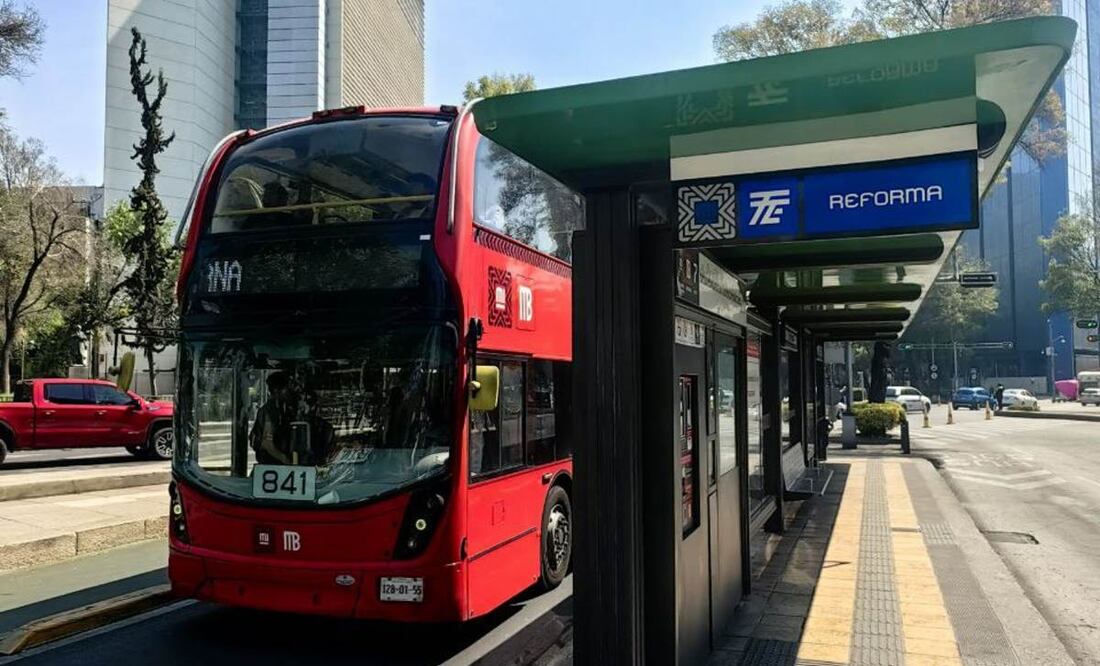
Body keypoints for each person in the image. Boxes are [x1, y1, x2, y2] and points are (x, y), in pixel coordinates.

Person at [250, 371, 299, 465]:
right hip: (271, 464)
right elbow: (267, 444)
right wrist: (286, 461)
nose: (289, 392)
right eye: (286, 389)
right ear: (277, 390)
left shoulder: (281, 409)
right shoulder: (270, 411)